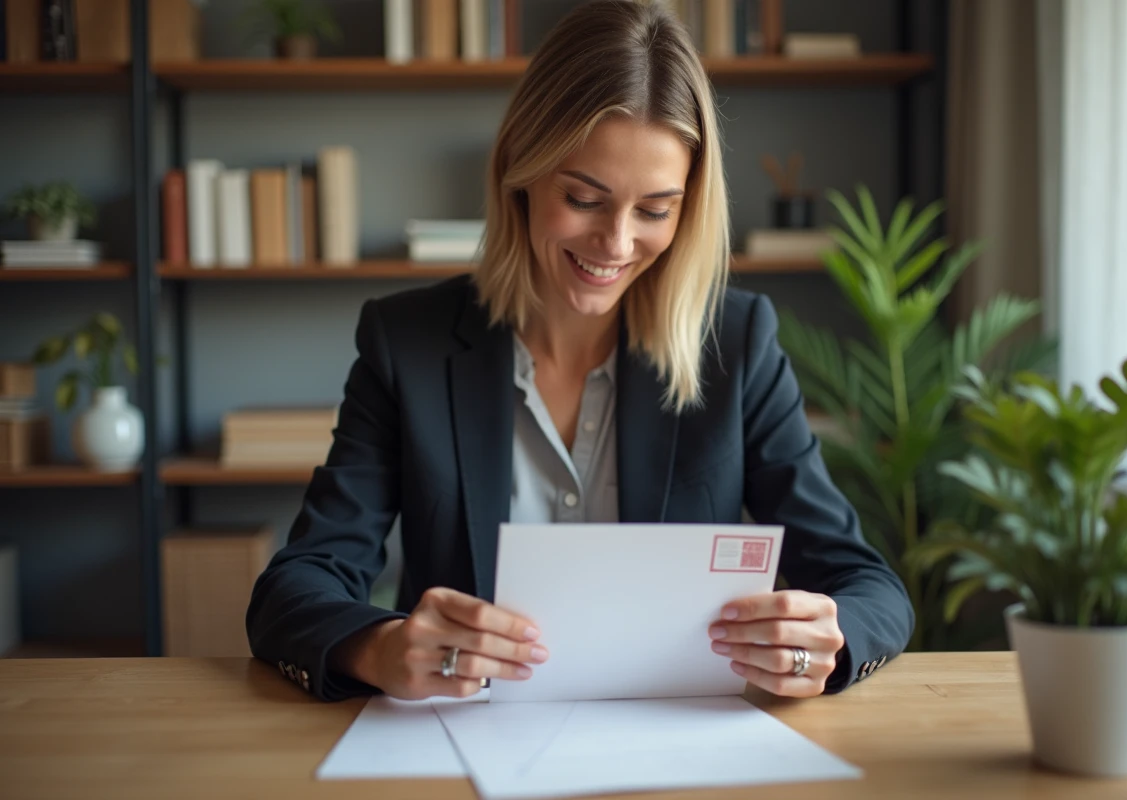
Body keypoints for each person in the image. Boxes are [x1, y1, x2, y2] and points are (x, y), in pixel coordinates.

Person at [246, 0, 913, 703]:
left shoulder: (736, 345)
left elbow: (869, 588)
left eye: (654, 210)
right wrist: (379, 647)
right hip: (462, 744)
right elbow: (297, 585)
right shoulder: (405, 343)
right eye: (584, 198)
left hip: (676, 746)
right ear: (521, 172)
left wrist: (821, 649)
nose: (617, 243)